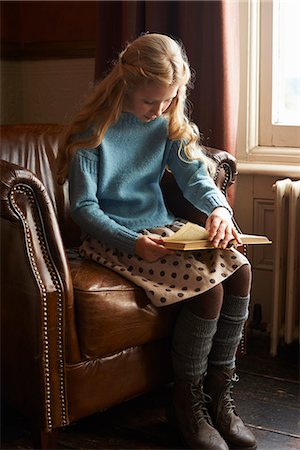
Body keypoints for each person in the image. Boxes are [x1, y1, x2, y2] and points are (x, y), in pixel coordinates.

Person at [57, 33, 257, 450]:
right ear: (126, 84)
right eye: (151, 101)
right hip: (113, 237)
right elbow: (83, 208)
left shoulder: (168, 123)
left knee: (241, 270)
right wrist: (132, 242)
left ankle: (219, 396)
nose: (160, 110)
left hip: (161, 229)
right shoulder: (94, 133)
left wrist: (220, 210)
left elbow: (195, 178)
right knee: (210, 293)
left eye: (168, 101)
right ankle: (185, 404)